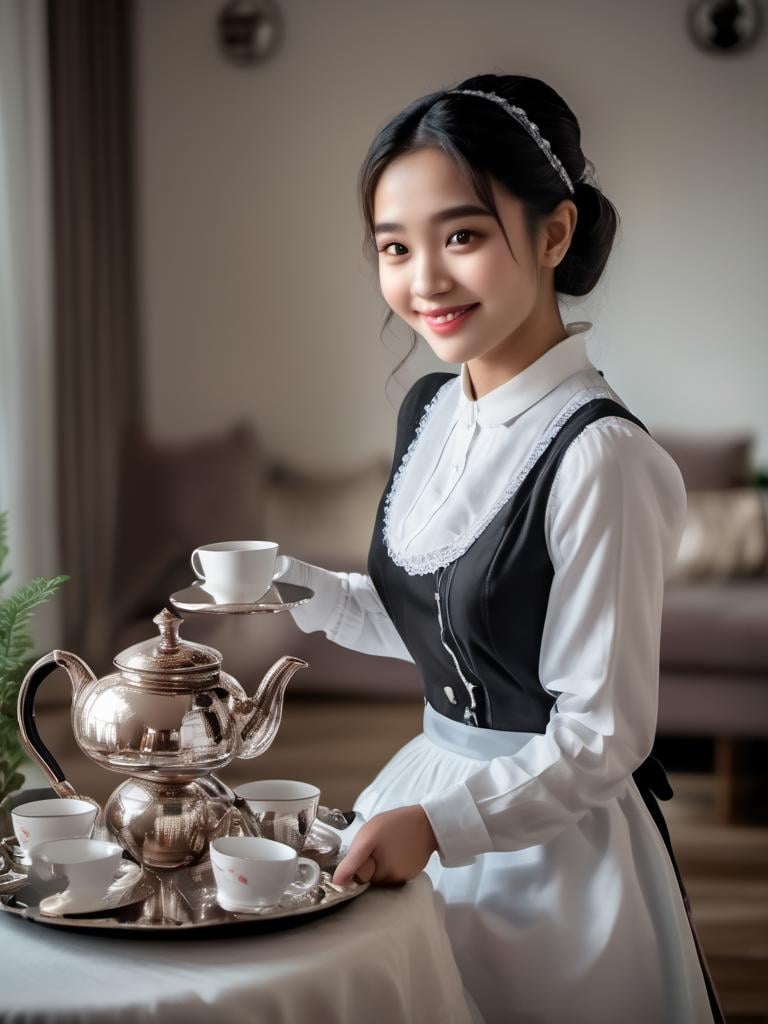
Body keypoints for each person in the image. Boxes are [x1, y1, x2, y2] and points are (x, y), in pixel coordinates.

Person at [280, 73, 723, 1024]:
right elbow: (442, 627)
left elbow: (604, 735)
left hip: (550, 853)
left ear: (553, 234)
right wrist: (283, 585)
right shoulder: (432, 411)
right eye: (395, 248)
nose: (423, 281)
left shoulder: (602, 457)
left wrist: (442, 828)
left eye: (463, 236)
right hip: (421, 790)